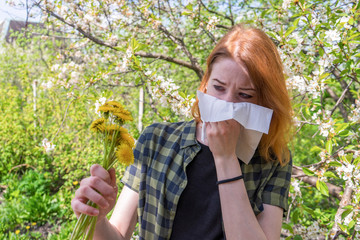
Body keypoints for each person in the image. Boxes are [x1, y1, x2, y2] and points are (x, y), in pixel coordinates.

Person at [71, 24, 293, 240]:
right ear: (205, 84)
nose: (227, 104)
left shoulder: (272, 161)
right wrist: (97, 220)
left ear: (265, 102)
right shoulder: (157, 140)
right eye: (218, 88)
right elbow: (119, 234)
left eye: (245, 95)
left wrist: (225, 159)